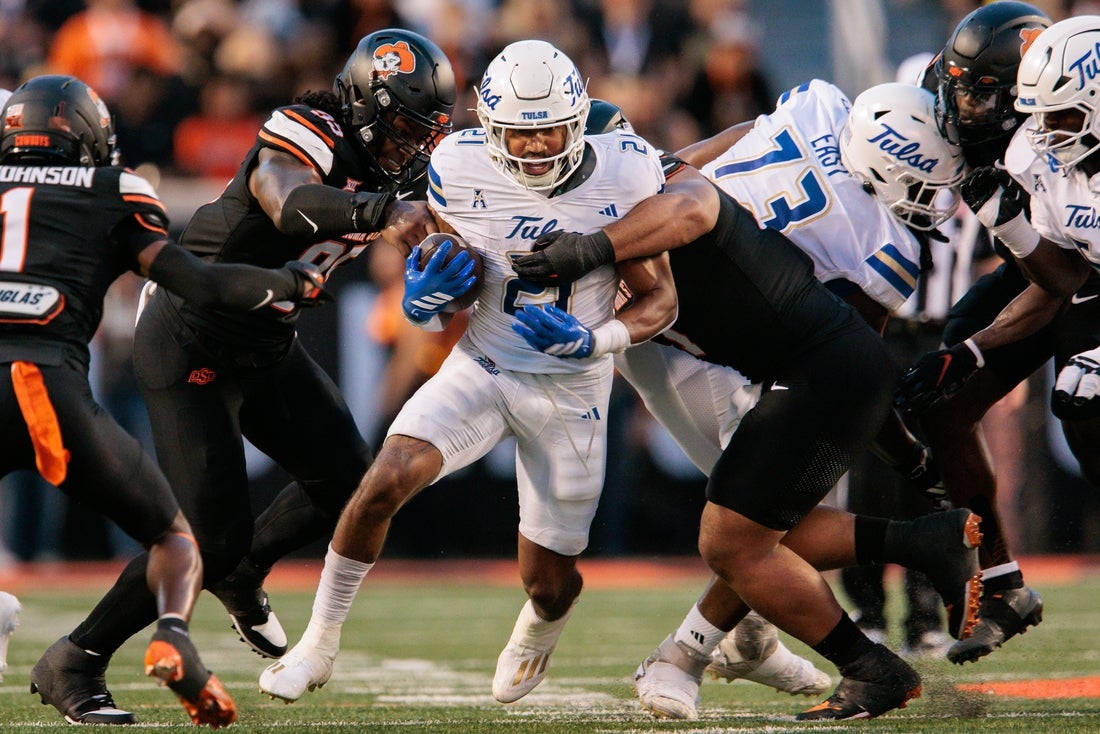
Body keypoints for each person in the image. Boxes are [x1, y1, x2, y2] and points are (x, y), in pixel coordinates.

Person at [29, 29, 456, 722]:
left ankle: (243, 573)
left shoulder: (405, 171)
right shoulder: (310, 127)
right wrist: (382, 212)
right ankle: (74, 658)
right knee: (207, 536)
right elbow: (285, 198)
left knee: (351, 482)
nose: (412, 146)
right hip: (190, 331)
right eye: (403, 128)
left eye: (424, 132)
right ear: (363, 103)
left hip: (266, 338)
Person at [510, 120, 983, 720]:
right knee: (757, 531)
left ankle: (866, 663)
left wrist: (592, 257)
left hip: (811, 374)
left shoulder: (671, 197)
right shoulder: (666, 184)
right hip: (824, 368)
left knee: (733, 543)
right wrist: (910, 458)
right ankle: (922, 547)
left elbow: (684, 224)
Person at [258, 38, 678, 705]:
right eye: (519, 132)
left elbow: (661, 300)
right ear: (489, 126)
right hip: (485, 362)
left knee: (549, 582)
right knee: (384, 479)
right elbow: (453, 277)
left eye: (549, 131)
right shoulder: (458, 162)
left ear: (579, 122)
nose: (534, 147)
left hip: (574, 389)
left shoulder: (624, 173)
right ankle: (319, 642)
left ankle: (541, 626)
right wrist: (426, 302)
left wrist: (593, 342)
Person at [0, 74, 325, 726]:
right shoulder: (114, 189)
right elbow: (198, 283)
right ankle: (173, 638)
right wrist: (286, 281)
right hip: (42, 382)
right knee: (176, 538)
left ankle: (56, 656)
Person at [901, 10, 1100, 654]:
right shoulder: (1039, 149)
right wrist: (971, 349)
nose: (1043, 129)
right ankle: (1001, 582)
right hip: (1058, 266)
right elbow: (1055, 276)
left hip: (1084, 280)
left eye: (1058, 116)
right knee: (944, 395)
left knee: (1084, 411)